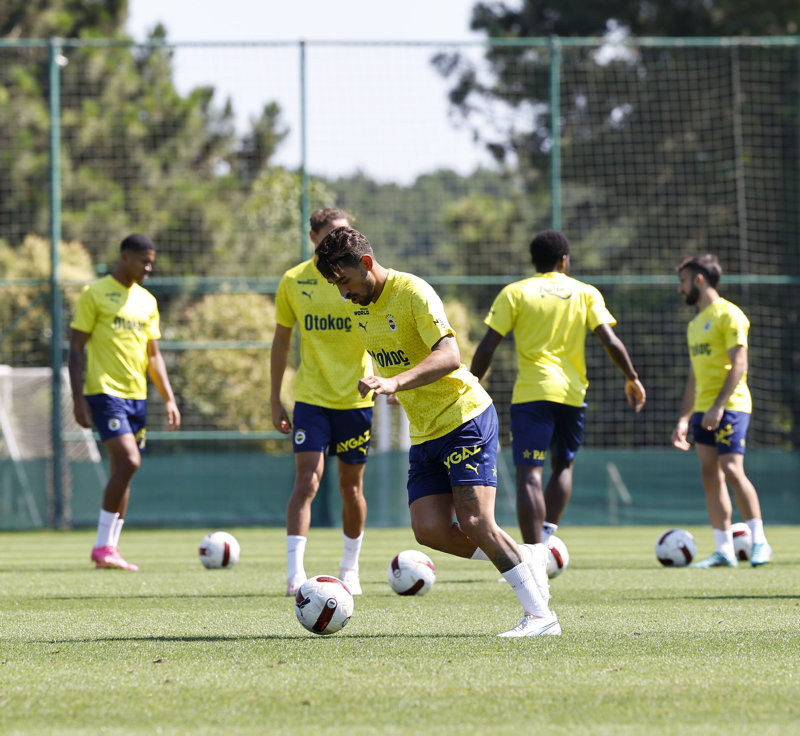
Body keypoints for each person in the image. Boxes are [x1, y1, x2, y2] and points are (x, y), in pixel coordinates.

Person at [315, 226, 557, 637]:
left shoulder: (413, 293)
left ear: (367, 264)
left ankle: (540, 617)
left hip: (465, 416)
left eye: (345, 281)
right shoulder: (358, 309)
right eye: (335, 285)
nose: (343, 293)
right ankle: (528, 556)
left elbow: (449, 356)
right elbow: (396, 357)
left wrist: (396, 382)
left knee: (477, 520)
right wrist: (392, 384)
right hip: (426, 429)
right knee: (428, 529)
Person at [470, 230, 646, 546]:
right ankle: (547, 537)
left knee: (529, 475)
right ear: (564, 261)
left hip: (532, 394)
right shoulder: (586, 292)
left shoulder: (514, 293)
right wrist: (632, 377)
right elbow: (610, 340)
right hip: (572, 394)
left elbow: (487, 347)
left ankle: (534, 554)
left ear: (533, 260)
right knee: (563, 465)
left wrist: (471, 384)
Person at [271, 209, 374, 597]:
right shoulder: (294, 281)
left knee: (351, 487)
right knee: (307, 480)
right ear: (313, 236)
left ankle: (351, 568)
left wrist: (391, 379)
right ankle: (295, 574)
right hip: (311, 398)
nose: (340, 240)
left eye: (346, 233)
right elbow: (281, 342)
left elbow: (380, 329)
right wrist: (274, 397)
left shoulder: (357, 280)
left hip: (356, 399)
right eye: (333, 234)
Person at [68, 233, 181, 571]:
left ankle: (110, 549)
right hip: (104, 392)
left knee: (123, 471)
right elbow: (75, 349)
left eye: (152, 262)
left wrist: (169, 398)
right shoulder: (95, 294)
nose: (149, 268)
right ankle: (102, 546)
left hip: (136, 396)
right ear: (125, 257)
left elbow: (153, 355)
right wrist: (77, 399)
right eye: (144, 261)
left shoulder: (147, 301)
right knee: (130, 462)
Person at [671, 254, 772, 567]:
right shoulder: (693, 326)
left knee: (731, 469)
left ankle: (760, 542)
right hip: (703, 410)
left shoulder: (730, 314)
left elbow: (739, 363)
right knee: (709, 475)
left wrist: (718, 406)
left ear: (699, 280)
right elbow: (693, 377)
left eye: (683, 281)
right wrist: (685, 418)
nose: (681, 289)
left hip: (731, 406)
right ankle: (724, 550)